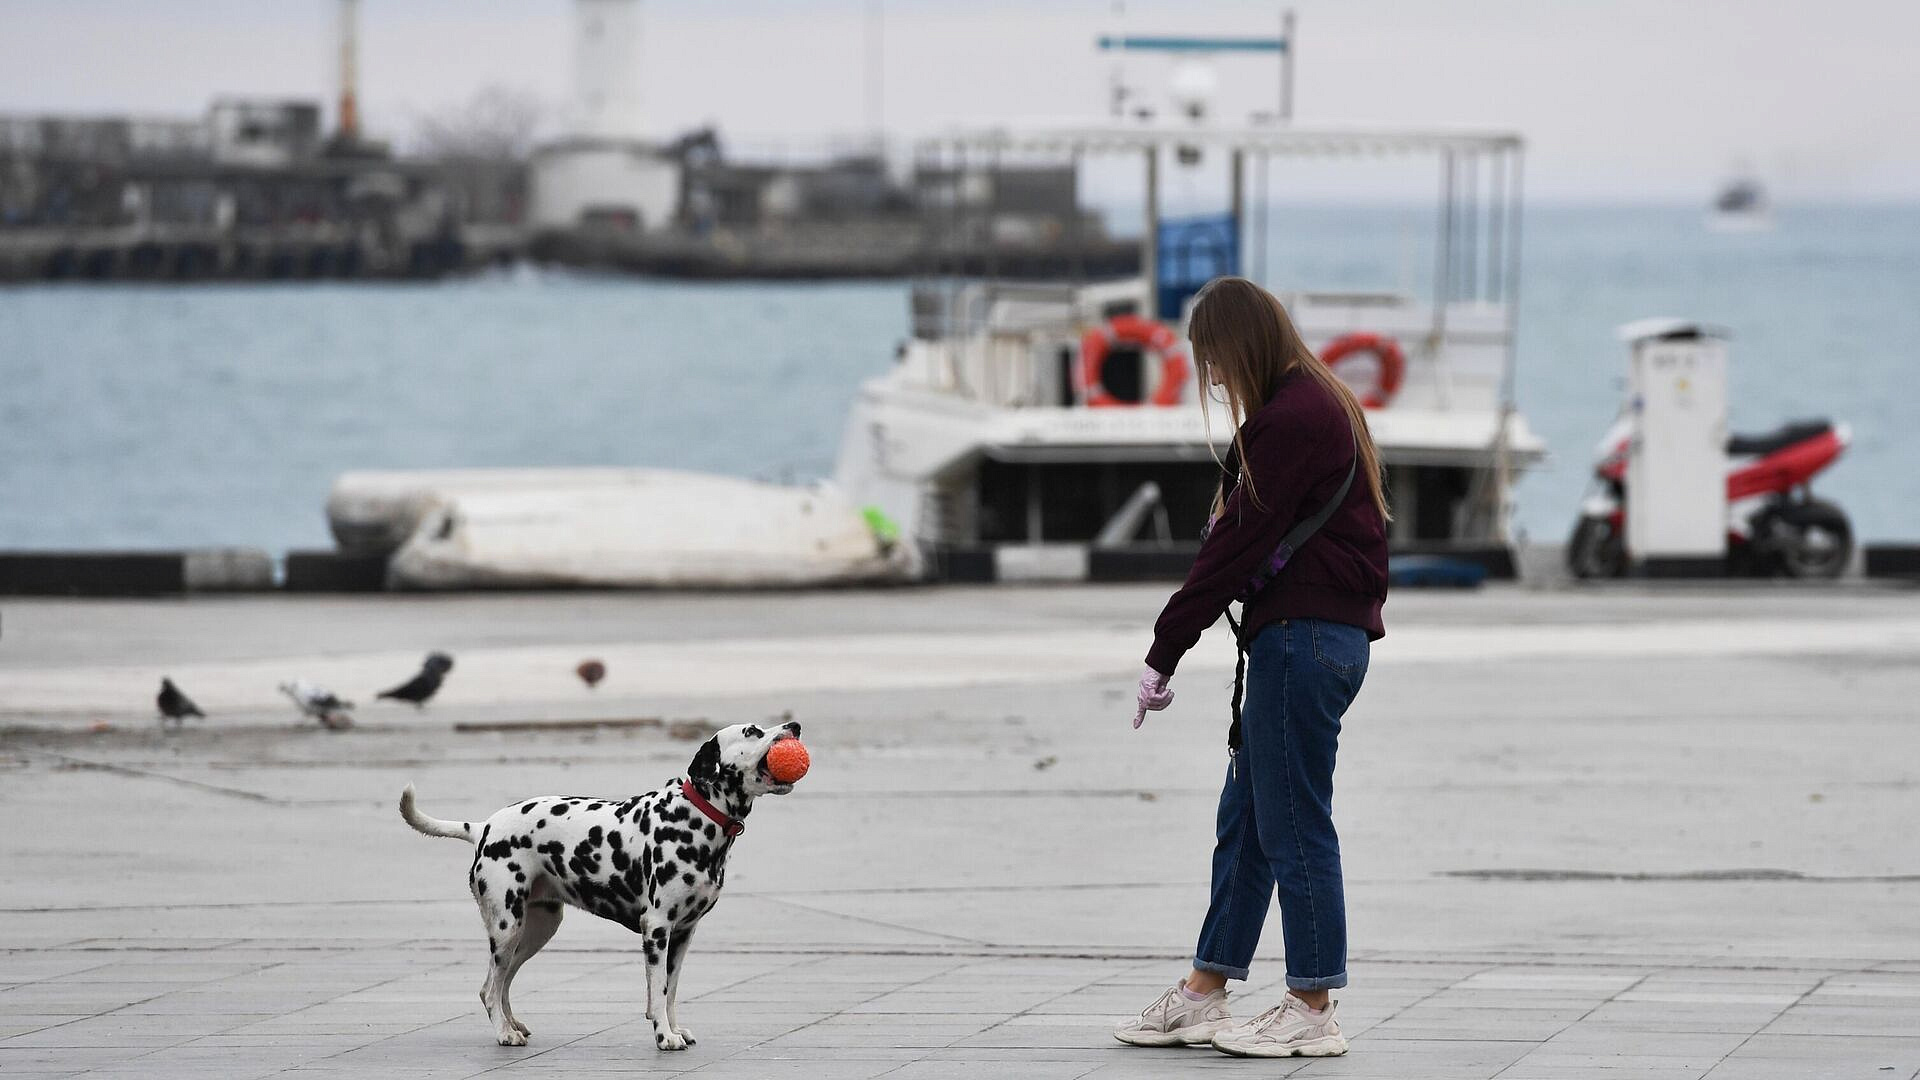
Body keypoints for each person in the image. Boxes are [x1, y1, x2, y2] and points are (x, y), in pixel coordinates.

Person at [1113, 277, 1389, 1059]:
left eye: (1216, 362)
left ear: (1241, 345)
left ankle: (1311, 1005)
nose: (1214, 380)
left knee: (1294, 820)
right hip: (1304, 639)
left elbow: (1232, 548)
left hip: (1305, 641)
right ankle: (1205, 990)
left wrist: (1165, 649)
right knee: (1249, 822)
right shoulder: (1313, 403)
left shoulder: (1294, 418)